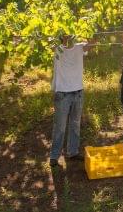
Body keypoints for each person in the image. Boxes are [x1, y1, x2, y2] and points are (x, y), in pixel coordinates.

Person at [49, 35, 90, 167]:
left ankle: (72, 151)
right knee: (60, 126)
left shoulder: (80, 48)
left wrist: (87, 31)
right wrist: (63, 40)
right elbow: (50, 44)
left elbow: (93, 42)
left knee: (75, 124)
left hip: (78, 92)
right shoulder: (58, 49)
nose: (68, 36)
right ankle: (54, 156)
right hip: (62, 94)